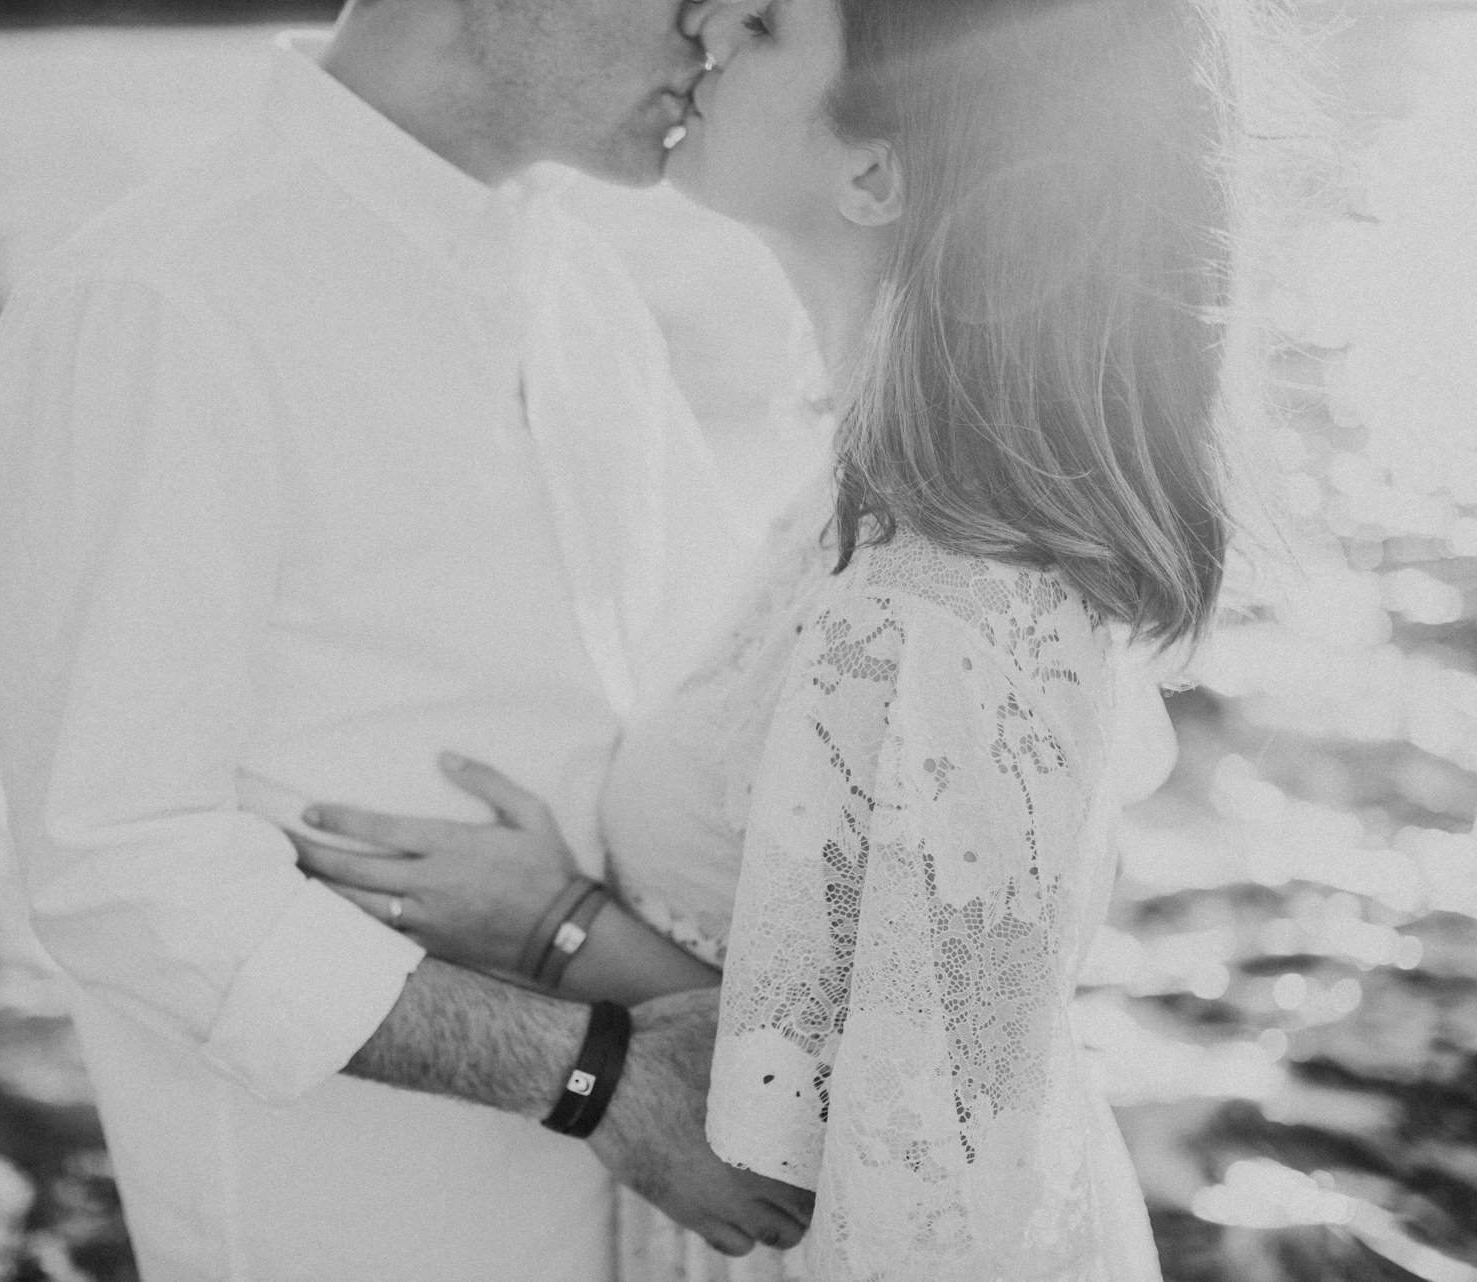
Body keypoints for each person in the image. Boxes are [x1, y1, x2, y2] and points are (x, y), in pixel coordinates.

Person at [294, 0, 1247, 1276]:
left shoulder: (948, 602)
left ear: (873, 171)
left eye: (764, 23)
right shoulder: (851, 493)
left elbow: (913, 1160)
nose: (703, 23)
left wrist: (555, 928)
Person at [0, 0, 821, 1274]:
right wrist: (594, 1075)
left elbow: (708, 716)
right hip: (366, 1225)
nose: (724, 31)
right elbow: (120, 863)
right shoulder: (156, 301)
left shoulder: (580, 286)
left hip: (645, 1225)